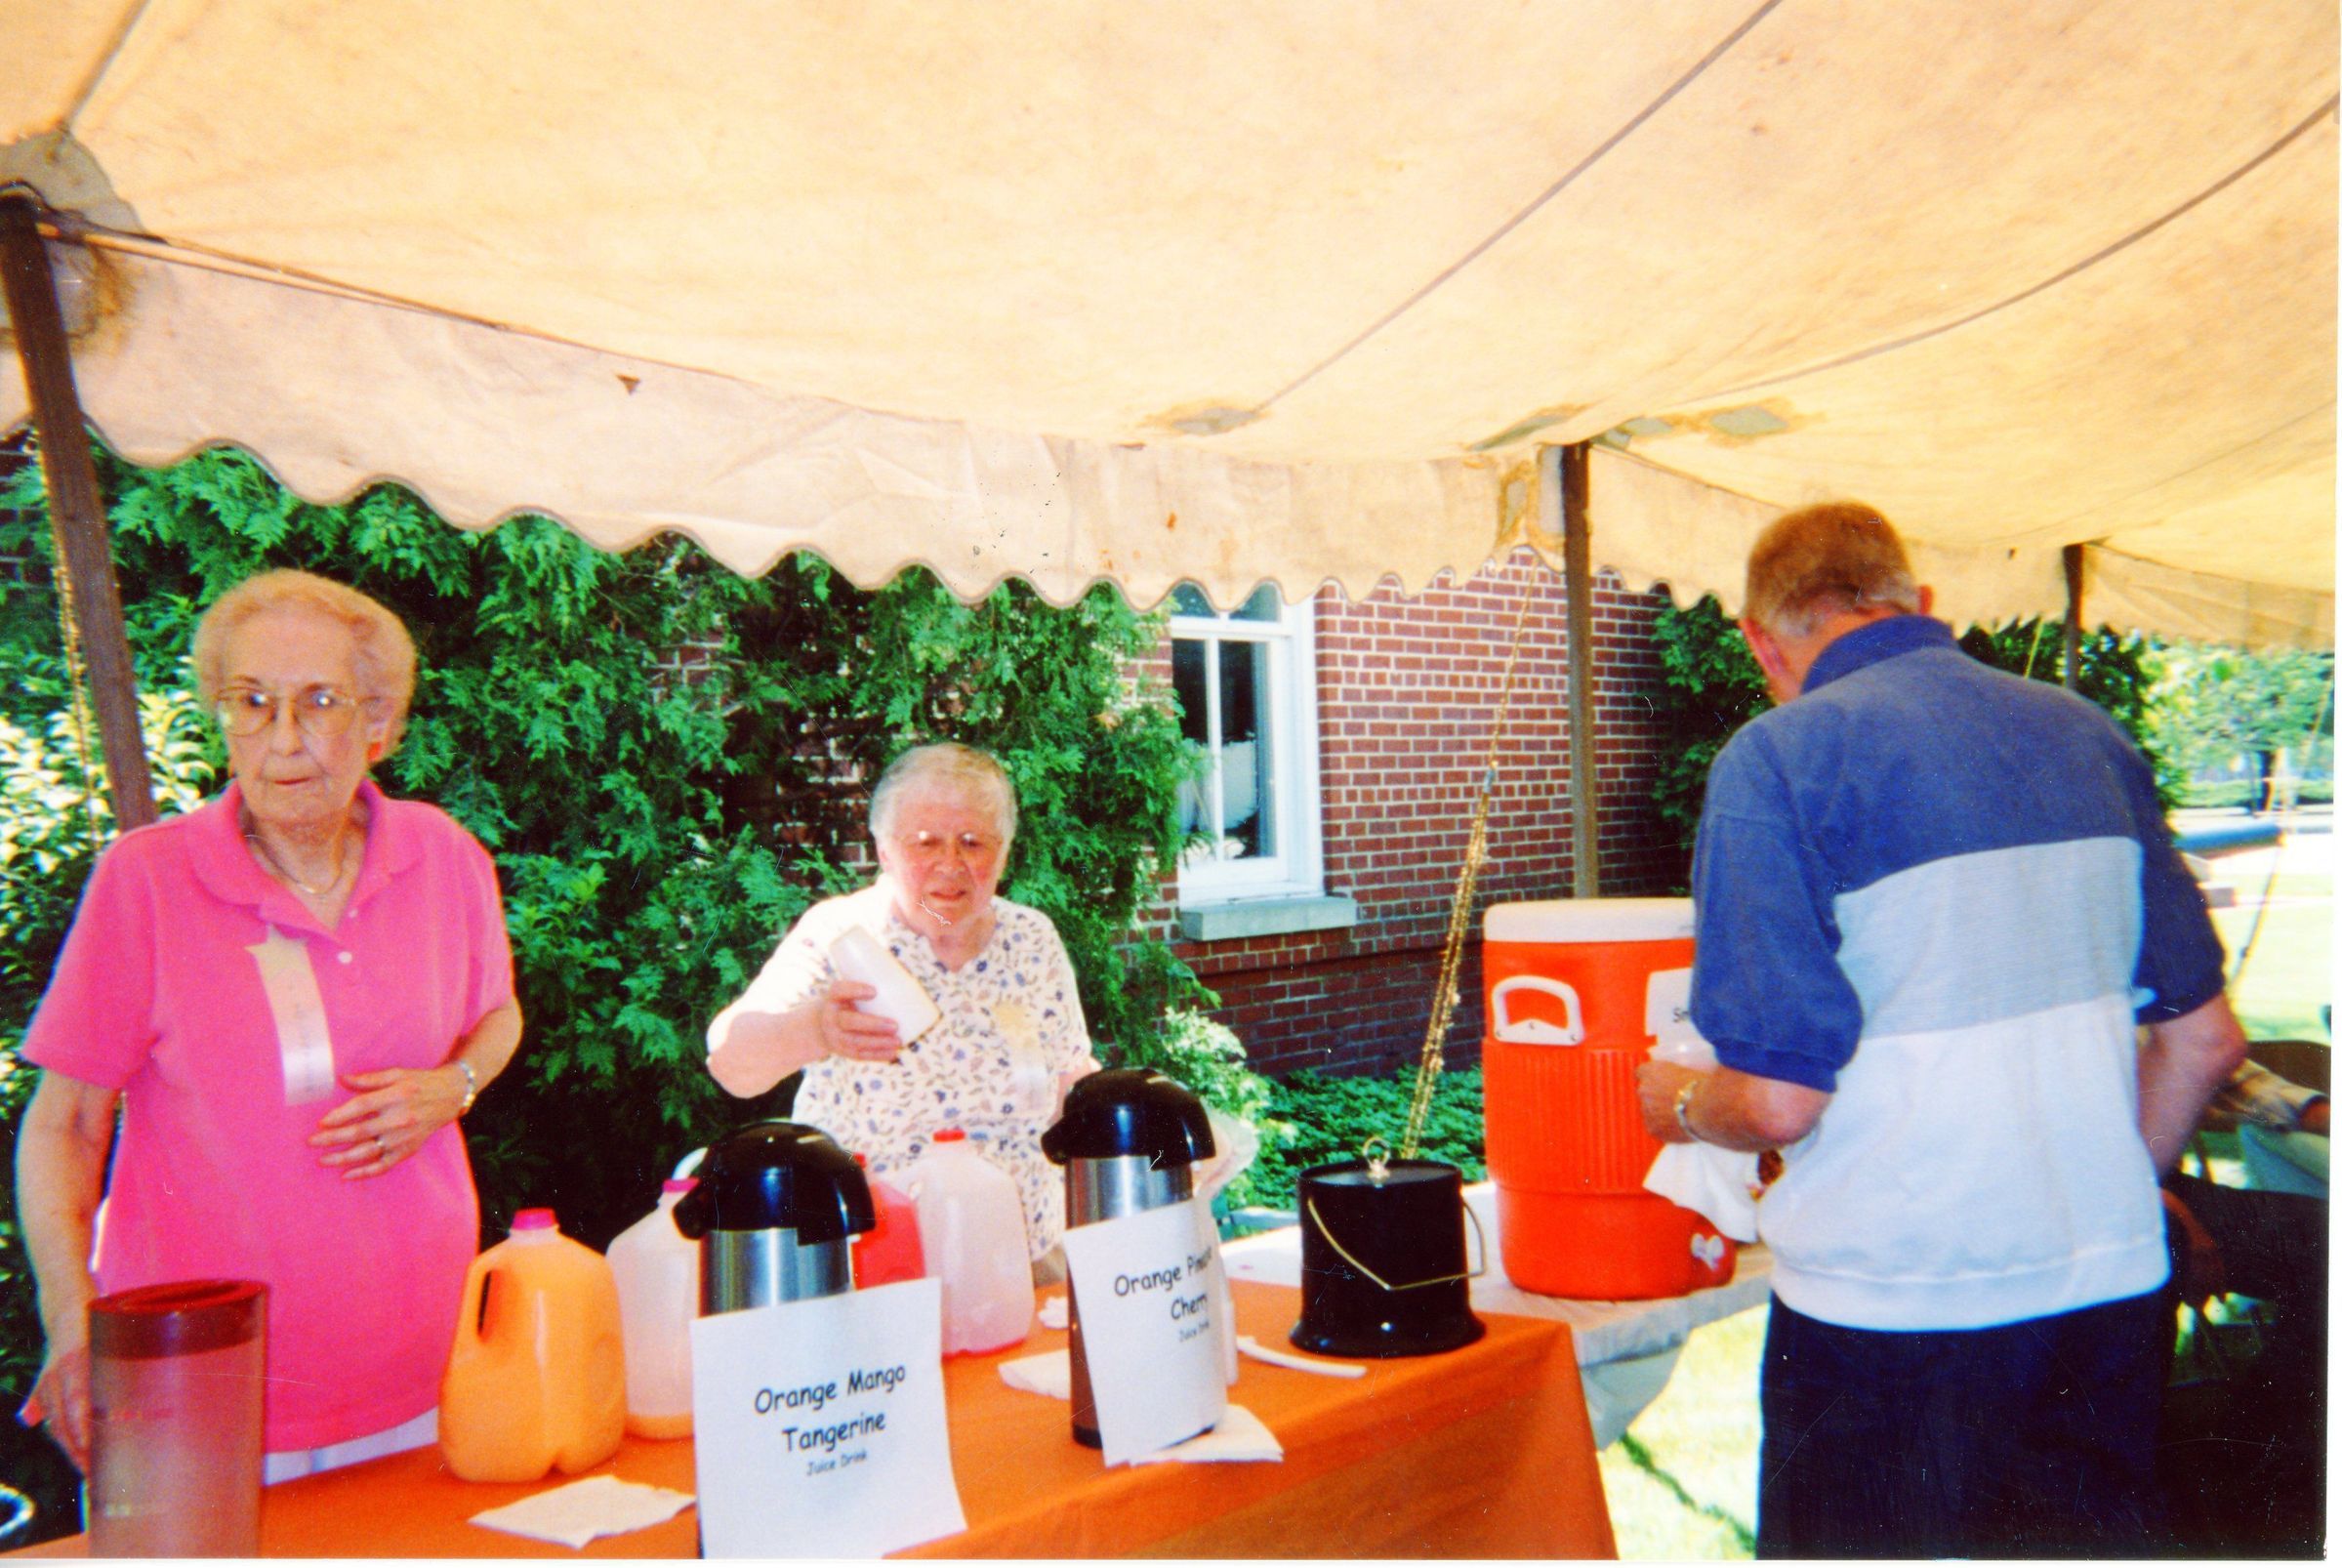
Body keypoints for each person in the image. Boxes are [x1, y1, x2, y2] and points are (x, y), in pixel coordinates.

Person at [1634, 502, 2245, 1557]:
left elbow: (1777, 1102)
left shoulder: (1776, 759)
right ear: (1917, 602)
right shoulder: (2087, 734)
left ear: (1760, 641)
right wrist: (2095, 1186)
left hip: (1888, 1313)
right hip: (2103, 1298)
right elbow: (2204, 1042)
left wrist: (1679, 1103)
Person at [15, 570, 521, 1483]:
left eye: (319, 702)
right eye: (252, 702)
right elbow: (66, 1124)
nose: (283, 740)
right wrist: (68, 1318)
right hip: (198, 1374)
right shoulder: (149, 883)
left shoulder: (443, 857)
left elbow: (497, 1015)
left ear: (378, 721)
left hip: (421, 1355)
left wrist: (454, 1086)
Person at [706, 742, 1098, 1267]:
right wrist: (815, 1030)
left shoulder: (1032, 939)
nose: (950, 864)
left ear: (1004, 851)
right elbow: (731, 1063)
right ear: (884, 852)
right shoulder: (841, 935)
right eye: (924, 842)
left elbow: (1070, 1074)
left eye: (973, 843)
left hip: (1023, 1253)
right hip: (873, 1264)